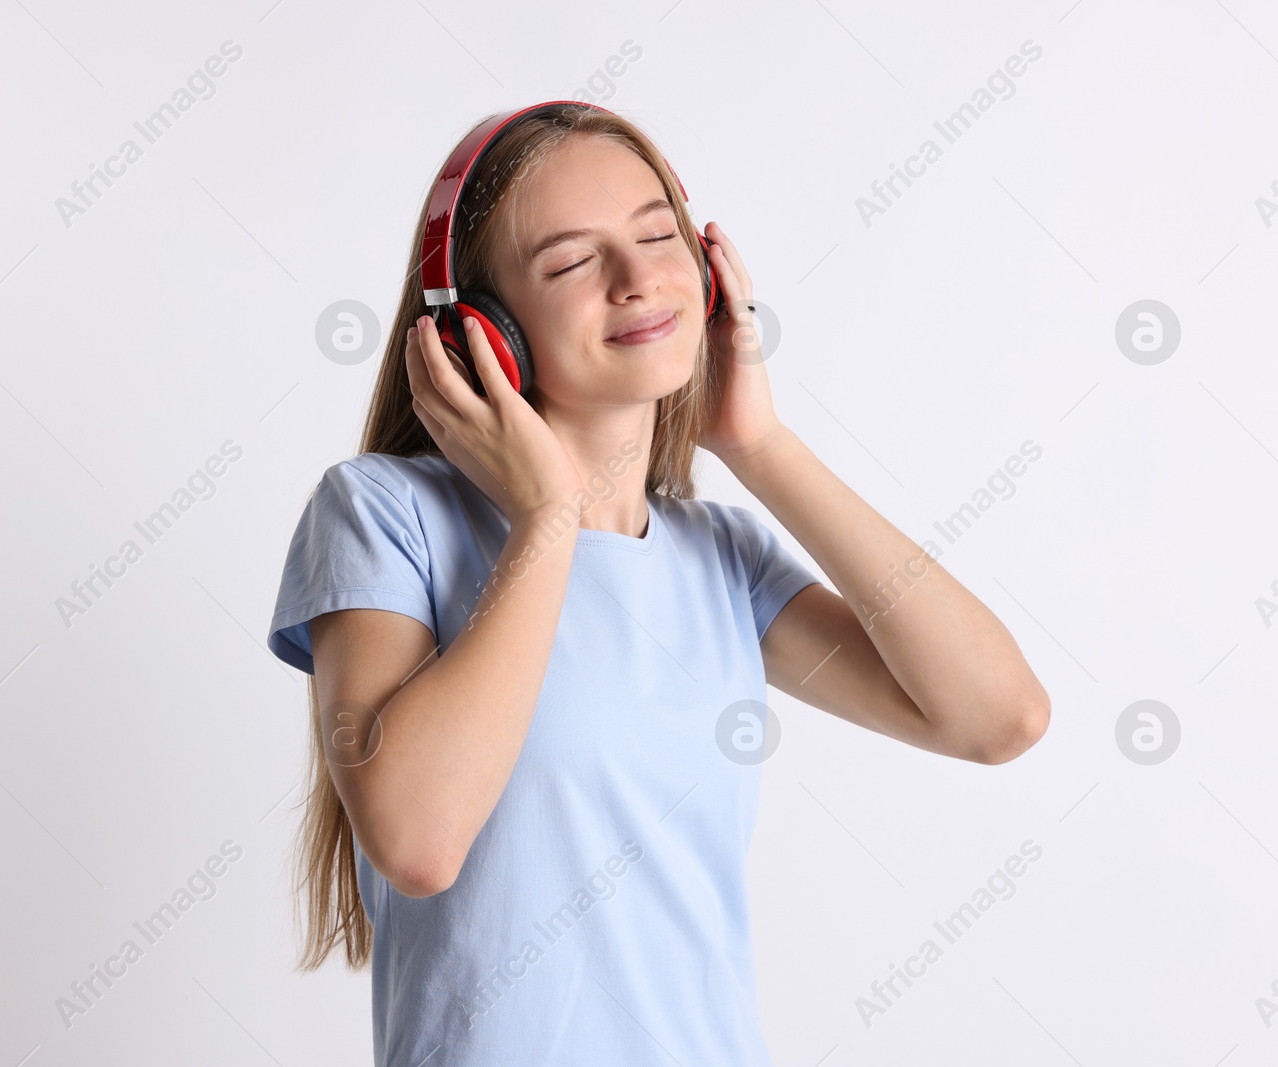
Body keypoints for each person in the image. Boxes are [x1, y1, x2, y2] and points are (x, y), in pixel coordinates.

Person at [266, 102, 1049, 1066]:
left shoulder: (717, 554)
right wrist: (549, 518)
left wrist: (759, 445)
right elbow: (418, 840)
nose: (640, 280)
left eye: (657, 234)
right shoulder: (381, 513)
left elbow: (997, 717)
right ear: (483, 330)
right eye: (572, 262)